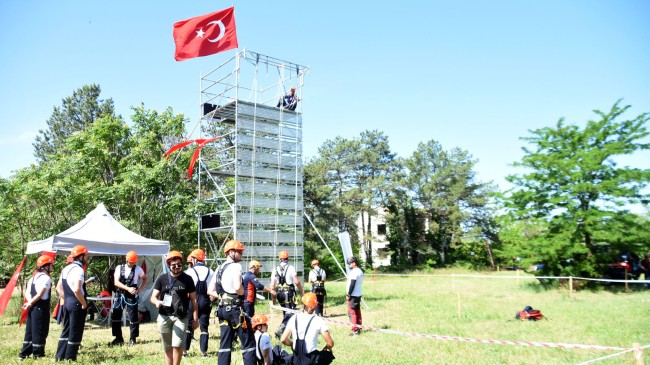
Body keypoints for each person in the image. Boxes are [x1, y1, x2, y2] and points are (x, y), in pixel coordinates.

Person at [208, 240, 255, 365]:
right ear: (231, 252)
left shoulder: (219, 268)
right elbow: (238, 288)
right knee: (248, 343)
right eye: (239, 252)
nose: (241, 254)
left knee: (225, 345)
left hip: (222, 311)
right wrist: (241, 293)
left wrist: (223, 297)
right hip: (235, 311)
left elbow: (210, 291)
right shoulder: (236, 267)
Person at [151, 250, 199, 365]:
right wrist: (157, 302)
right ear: (168, 265)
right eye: (174, 265)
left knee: (177, 345)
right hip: (164, 316)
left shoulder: (187, 279)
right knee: (167, 346)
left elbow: (194, 299)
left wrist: (196, 319)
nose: (177, 267)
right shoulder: (162, 279)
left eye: (179, 265)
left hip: (181, 316)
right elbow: (153, 297)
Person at [55, 245, 90, 361]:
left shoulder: (66, 269)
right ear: (81, 257)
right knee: (75, 331)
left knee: (66, 331)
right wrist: (84, 303)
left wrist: (67, 298)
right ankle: (70, 358)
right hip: (77, 304)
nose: (87, 258)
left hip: (68, 303)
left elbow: (58, 287)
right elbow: (77, 289)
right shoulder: (79, 270)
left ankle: (59, 357)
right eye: (86, 256)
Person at [280, 292, 334, 365]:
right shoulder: (318, 320)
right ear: (315, 306)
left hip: (297, 359)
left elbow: (283, 339)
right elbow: (330, 343)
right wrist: (326, 348)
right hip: (311, 359)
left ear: (303, 304)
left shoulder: (294, 318)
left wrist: (292, 344)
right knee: (327, 355)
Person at [19, 254, 54, 360]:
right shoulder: (46, 279)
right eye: (51, 265)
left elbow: (28, 293)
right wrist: (31, 303)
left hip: (32, 308)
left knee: (30, 331)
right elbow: (40, 294)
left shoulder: (33, 278)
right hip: (40, 309)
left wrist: (30, 302)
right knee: (40, 330)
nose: (52, 267)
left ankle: (24, 353)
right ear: (46, 266)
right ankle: (38, 354)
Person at [110, 250, 148, 347]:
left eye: (134, 262)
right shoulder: (119, 268)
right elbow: (116, 282)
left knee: (133, 317)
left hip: (132, 295)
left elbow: (145, 279)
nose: (132, 264)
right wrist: (128, 288)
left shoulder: (138, 269)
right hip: (120, 293)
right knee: (116, 315)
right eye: (130, 262)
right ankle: (118, 338)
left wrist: (139, 289)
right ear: (126, 260)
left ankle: (133, 338)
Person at [184, 248, 214, 358]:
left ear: (195, 259)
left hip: (192, 301)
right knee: (204, 327)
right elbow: (213, 289)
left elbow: (185, 289)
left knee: (188, 326)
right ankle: (204, 353)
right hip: (205, 301)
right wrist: (212, 299)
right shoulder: (211, 271)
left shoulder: (189, 272)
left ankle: (184, 352)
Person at [271, 250, 304, 339]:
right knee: (290, 313)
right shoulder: (290, 267)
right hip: (288, 293)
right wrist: (302, 293)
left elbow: (272, 285)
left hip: (279, 293)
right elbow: (296, 281)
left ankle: (290, 333)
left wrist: (273, 298)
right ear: (287, 258)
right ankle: (281, 330)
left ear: (280, 259)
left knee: (286, 313)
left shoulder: (275, 268)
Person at [346, 256, 364, 336]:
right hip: (358, 294)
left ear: (354, 263)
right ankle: (359, 326)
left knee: (352, 312)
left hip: (353, 295)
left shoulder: (354, 272)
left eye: (349, 264)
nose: (349, 265)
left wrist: (348, 294)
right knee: (357, 311)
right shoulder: (359, 271)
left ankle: (355, 330)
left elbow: (352, 284)